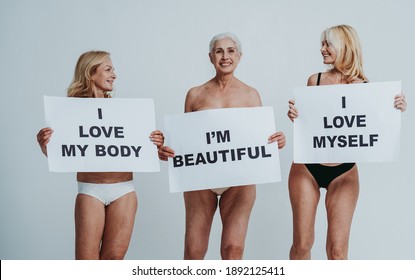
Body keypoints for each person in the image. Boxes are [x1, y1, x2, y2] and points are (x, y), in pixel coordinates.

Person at [158, 33, 286, 260]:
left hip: (239, 182)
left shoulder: (250, 95)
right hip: (200, 180)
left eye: (230, 51)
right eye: (219, 51)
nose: (225, 56)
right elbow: (186, 140)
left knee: (233, 248)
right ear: (210, 57)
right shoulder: (195, 94)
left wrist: (276, 142)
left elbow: (259, 139)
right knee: (194, 251)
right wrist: (167, 151)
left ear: (239, 56)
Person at [287, 25, 407, 260]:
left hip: (344, 172)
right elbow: (309, 123)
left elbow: (376, 125)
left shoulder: (365, 88)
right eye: (322, 44)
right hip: (307, 169)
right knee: (302, 244)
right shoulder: (316, 80)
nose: (322, 49)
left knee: (338, 251)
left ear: (344, 46)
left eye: (327, 44)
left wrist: (397, 108)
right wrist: (295, 115)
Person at [36, 51, 164, 260]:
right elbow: (63, 153)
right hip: (90, 190)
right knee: (87, 262)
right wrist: (46, 146)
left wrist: (156, 142)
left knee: (113, 260)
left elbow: (140, 146)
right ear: (90, 73)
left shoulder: (124, 112)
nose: (114, 75)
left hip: (124, 190)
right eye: (108, 69)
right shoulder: (69, 112)